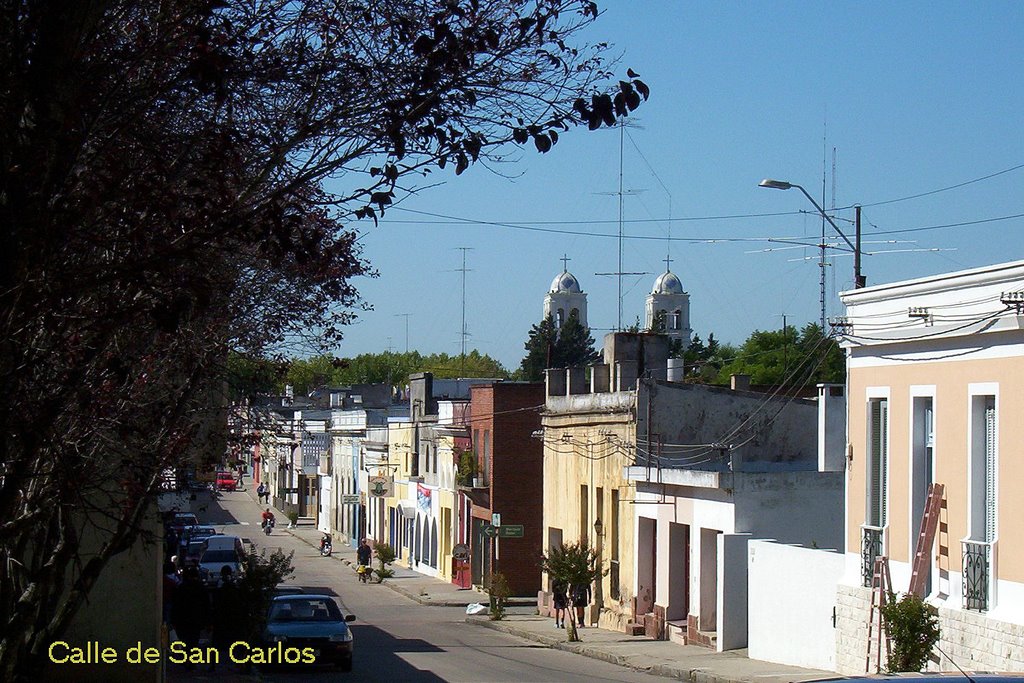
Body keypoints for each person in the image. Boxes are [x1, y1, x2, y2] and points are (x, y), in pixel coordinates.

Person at [171, 567, 210, 669]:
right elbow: (206, 605)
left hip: (183, 619)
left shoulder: (182, 587)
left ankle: (187, 659)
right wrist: (206, 620)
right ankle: (191, 660)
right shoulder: (201, 588)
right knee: (193, 641)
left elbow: (176, 604)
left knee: (185, 640)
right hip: (196, 619)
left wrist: (174, 619)